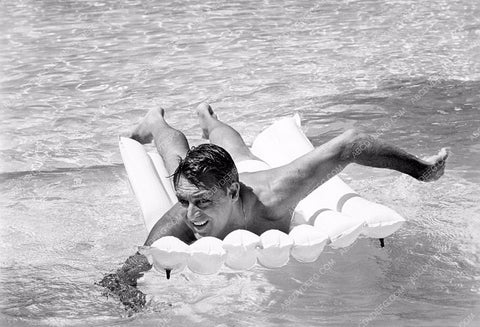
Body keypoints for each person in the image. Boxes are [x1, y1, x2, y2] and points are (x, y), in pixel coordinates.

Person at [98, 103, 448, 310]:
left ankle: (207, 117)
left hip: (247, 170)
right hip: (211, 173)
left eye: (203, 202)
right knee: (174, 157)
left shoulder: (276, 195)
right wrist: (130, 297)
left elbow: (351, 144)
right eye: (185, 202)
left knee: (232, 146)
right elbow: (125, 271)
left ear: (233, 192)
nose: (192, 214)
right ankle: (155, 120)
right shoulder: (183, 216)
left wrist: (422, 170)